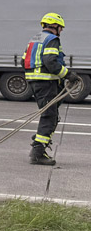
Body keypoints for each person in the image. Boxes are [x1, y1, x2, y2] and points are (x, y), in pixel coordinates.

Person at [21, 12, 81, 165]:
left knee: (51, 115)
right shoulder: (52, 40)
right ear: (55, 26)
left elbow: (23, 61)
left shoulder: (34, 39)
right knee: (49, 116)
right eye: (61, 28)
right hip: (46, 83)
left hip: (36, 83)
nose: (61, 31)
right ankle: (37, 154)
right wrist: (68, 75)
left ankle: (38, 146)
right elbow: (50, 61)